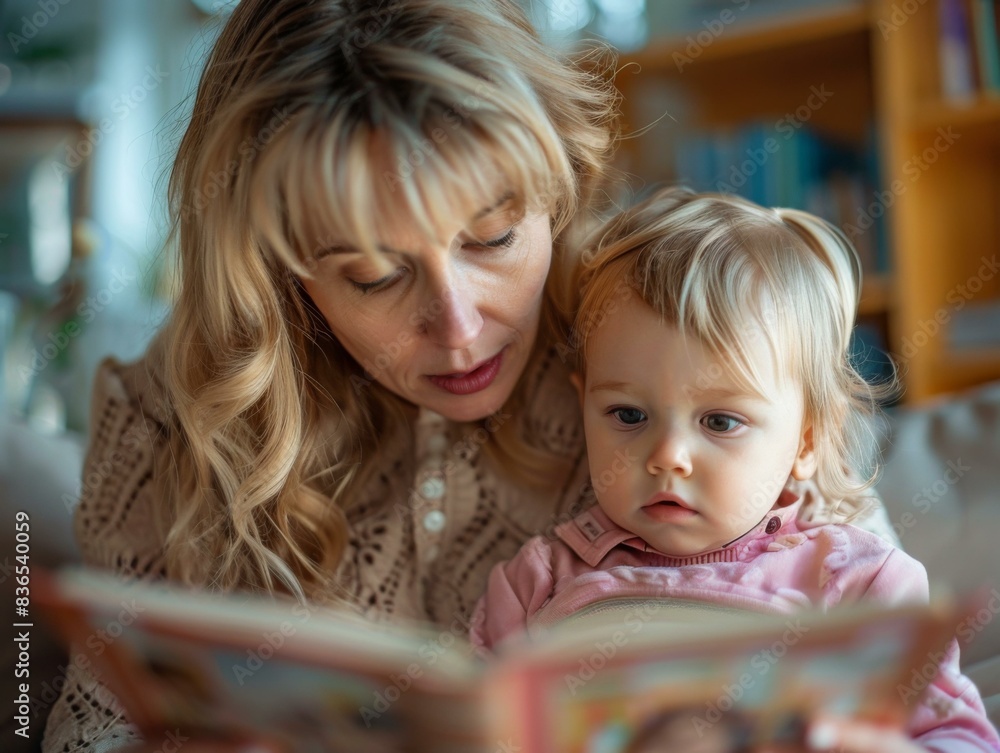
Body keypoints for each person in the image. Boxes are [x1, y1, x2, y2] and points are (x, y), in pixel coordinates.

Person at [40, 1, 896, 750]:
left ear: (554, 184)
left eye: (493, 238)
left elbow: (876, 652)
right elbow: (94, 732)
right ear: (279, 271)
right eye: (374, 275)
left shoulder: (659, 341)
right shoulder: (164, 416)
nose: (459, 324)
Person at [469, 187, 1000, 752]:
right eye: (628, 414)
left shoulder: (856, 582)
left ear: (809, 438)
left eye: (720, 422)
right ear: (583, 408)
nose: (668, 454)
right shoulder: (538, 579)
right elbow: (467, 726)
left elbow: (958, 737)